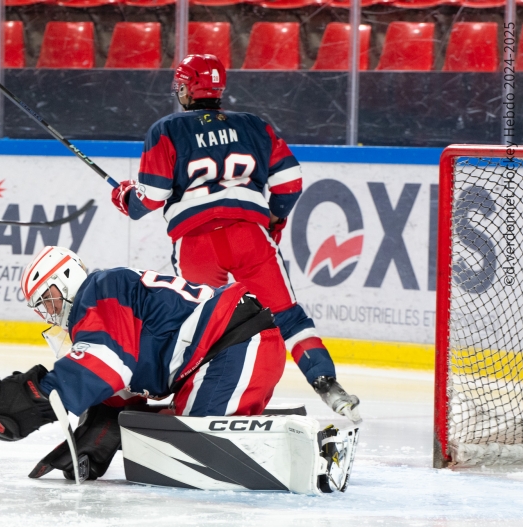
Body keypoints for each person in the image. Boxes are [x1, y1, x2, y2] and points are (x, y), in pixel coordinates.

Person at [109, 54, 361, 424]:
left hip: (197, 243)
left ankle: (193, 400)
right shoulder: (255, 125)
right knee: (288, 317)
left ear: (184, 88)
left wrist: (125, 196)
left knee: (195, 325)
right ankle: (330, 387)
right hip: (250, 237)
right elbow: (289, 182)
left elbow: (151, 198)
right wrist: (274, 219)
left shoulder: (165, 129)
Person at [0, 245, 285, 480]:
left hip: (237, 345)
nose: (49, 311)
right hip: (232, 350)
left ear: (67, 277)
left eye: (48, 297)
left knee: (200, 457)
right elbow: (118, 379)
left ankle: (305, 455)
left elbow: (104, 365)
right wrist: (105, 426)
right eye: (40, 308)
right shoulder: (104, 304)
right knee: (184, 448)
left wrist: (24, 401)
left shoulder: (99, 290)